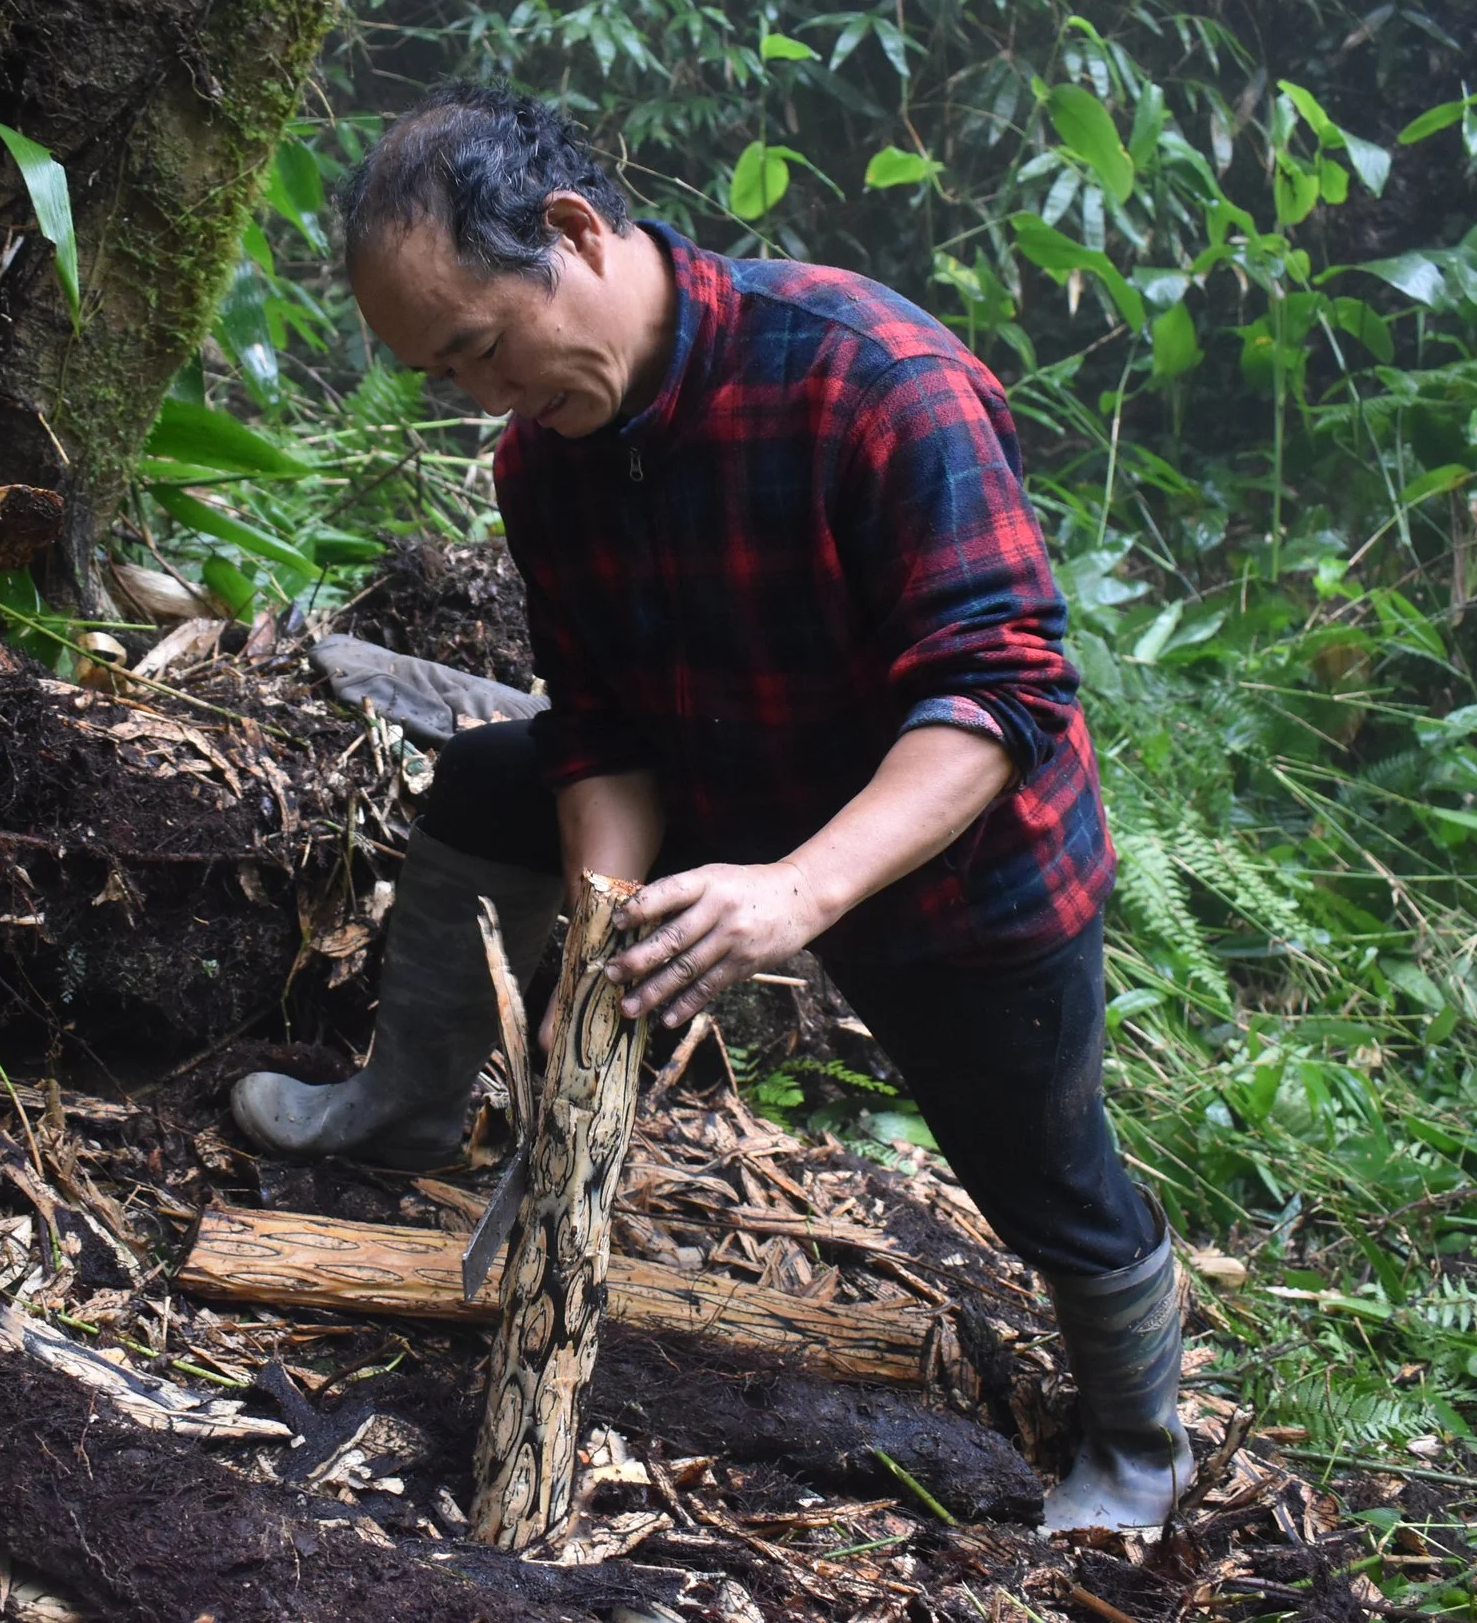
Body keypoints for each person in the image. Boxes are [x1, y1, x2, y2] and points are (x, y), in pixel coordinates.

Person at [229, 82, 1193, 1532]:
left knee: (1043, 1177)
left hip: (954, 862)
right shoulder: (545, 460)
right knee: (495, 774)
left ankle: (1139, 1441)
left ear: (571, 233)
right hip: (736, 786)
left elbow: (999, 695)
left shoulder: (868, 374)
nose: (484, 399)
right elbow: (603, 723)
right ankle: (411, 1105)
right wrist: (605, 940)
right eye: (449, 376)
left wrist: (797, 895)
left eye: (484, 348)